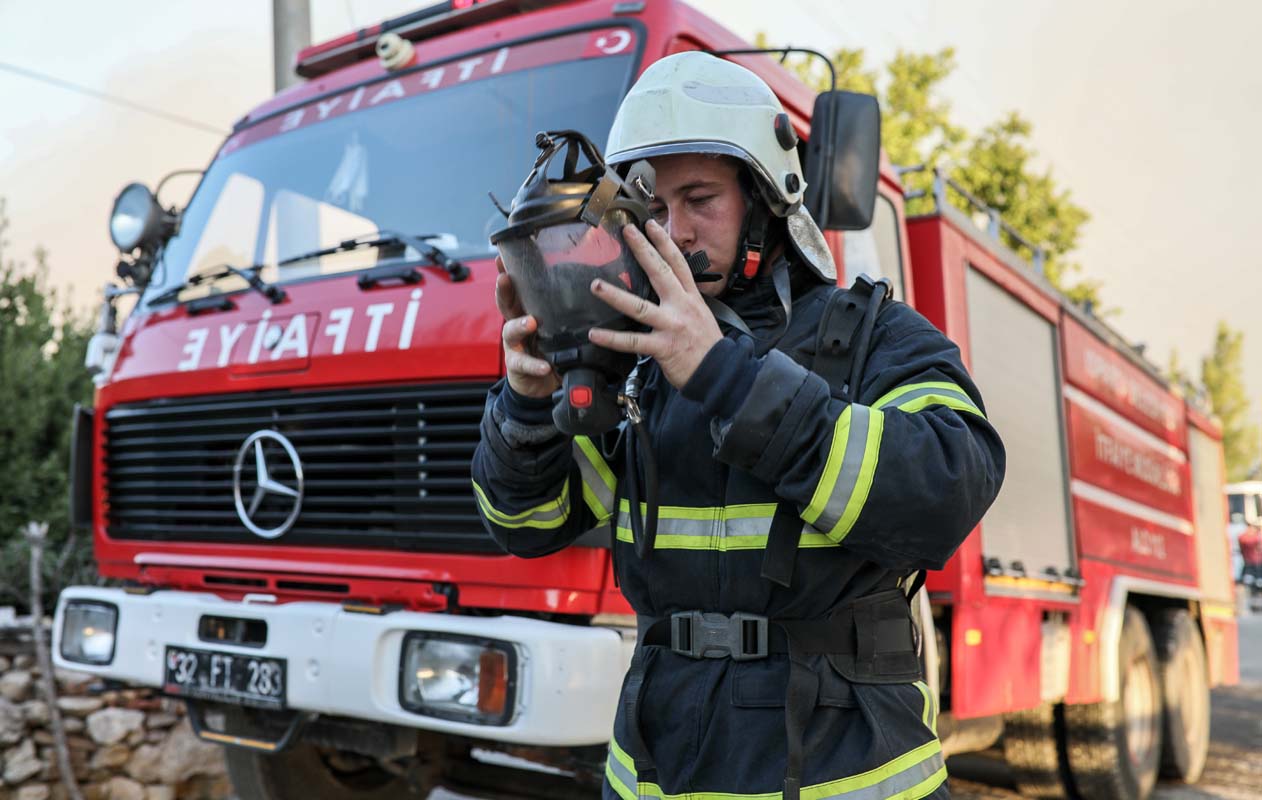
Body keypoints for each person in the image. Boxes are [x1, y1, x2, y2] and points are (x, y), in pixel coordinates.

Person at [473, 52, 1005, 800]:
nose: (676, 230)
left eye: (701, 199)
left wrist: (724, 375)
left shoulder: (878, 337)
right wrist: (529, 404)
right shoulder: (633, 364)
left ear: (765, 198)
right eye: (652, 208)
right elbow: (524, 525)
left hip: (843, 772)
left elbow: (947, 490)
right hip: (656, 772)